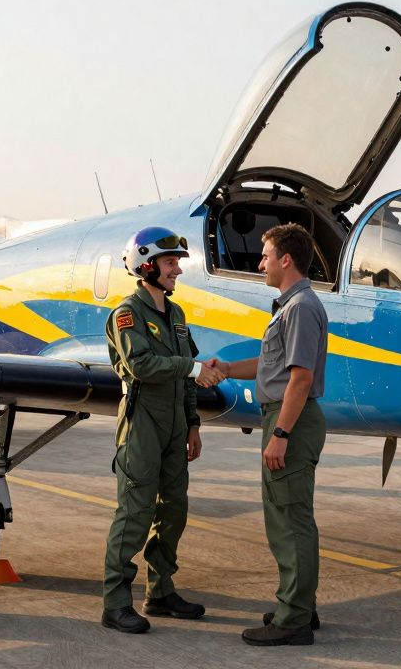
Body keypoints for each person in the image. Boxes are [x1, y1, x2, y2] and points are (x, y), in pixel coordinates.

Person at [101, 226, 225, 634]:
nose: (178, 271)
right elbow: (141, 366)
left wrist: (193, 424)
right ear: (146, 264)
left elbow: (185, 379)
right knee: (134, 513)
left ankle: (160, 590)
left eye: (177, 263)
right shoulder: (126, 314)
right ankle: (116, 602)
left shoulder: (177, 315)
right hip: (142, 425)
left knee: (173, 510)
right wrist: (191, 368)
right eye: (171, 263)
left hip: (174, 425)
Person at [209, 223, 328, 647]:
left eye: (265, 255)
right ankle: (299, 607)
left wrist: (279, 433)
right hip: (290, 416)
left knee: (288, 522)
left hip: (290, 419)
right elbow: (271, 364)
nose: (260, 263)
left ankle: (292, 619)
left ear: (286, 260)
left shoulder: (299, 308)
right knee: (293, 517)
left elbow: (299, 378)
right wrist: (224, 368)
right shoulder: (292, 307)